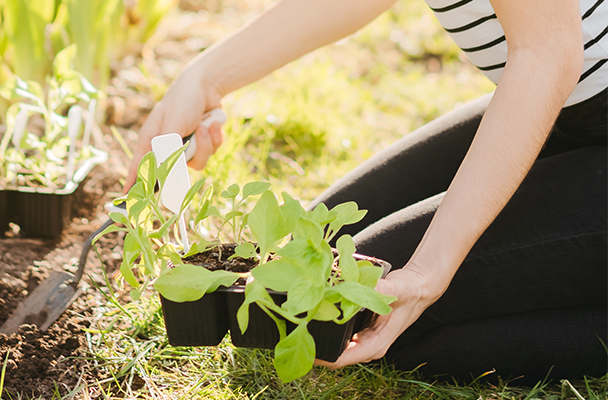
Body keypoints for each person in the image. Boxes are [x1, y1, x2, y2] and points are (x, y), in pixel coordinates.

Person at [127, 0, 608, 382]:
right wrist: (206, 77)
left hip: (557, 76)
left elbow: (550, 51)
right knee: (310, 270)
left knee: (384, 323)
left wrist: (426, 272)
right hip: (566, 110)